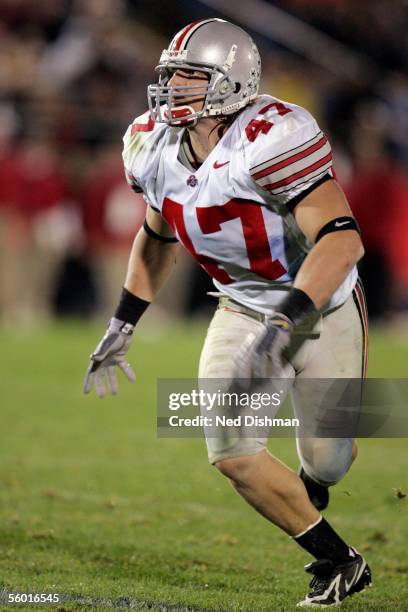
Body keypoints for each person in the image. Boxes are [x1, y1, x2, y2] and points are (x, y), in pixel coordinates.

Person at [83, 18, 371, 607]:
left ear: (234, 82)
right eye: (170, 74)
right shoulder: (150, 141)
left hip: (322, 304)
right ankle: (339, 562)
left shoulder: (274, 134)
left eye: (191, 75)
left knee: (331, 460)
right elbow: (157, 235)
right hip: (240, 305)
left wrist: (287, 323)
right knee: (233, 451)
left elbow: (342, 243)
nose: (173, 87)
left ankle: (313, 480)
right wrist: (122, 322)